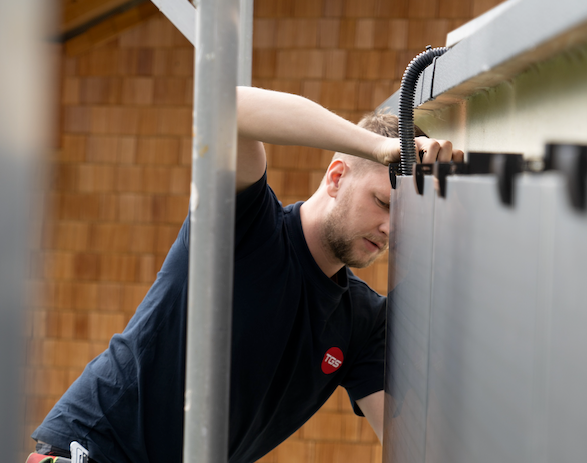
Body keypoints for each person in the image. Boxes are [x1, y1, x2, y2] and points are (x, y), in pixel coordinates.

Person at [30, 87, 463, 463]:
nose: (390, 228)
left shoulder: (362, 323)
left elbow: (411, 446)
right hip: (94, 448)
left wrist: (453, 222)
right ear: (336, 178)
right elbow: (229, 104)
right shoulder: (247, 223)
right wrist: (380, 148)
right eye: (382, 203)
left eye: (404, 217)